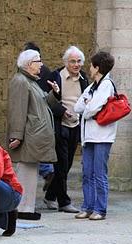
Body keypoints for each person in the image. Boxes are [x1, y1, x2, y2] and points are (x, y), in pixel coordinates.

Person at [7, 49, 59, 220]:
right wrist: (16, 135)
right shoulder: (20, 81)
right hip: (28, 135)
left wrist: (54, 93)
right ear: (29, 64)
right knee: (25, 172)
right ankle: (22, 207)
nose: (41, 64)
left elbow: (43, 102)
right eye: (38, 61)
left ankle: (27, 207)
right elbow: (17, 110)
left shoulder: (31, 81)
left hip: (33, 135)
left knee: (30, 172)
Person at [43, 46, 89, 212]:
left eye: (79, 61)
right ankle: (64, 202)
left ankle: (49, 196)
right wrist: (63, 111)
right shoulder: (56, 76)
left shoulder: (84, 78)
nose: (76, 64)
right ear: (66, 62)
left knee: (67, 164)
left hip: (76, 125)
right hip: (60, 125)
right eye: (72, 61)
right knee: (61, 164)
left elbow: (85, 98)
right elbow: (47, 101)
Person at [74, 51, 116, 220]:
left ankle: (100, 209)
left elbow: (91, 109)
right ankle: (88, 207)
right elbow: (78, 107)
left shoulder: (107, 85)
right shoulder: (92, 87)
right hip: (88, 136)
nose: (89, 68)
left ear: (97, 68)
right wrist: (89, 106)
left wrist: (88, 106)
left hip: (103, 136)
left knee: (99, 173)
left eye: (91, 65)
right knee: (87, 173)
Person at [24, 42, 55, 192]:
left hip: (35, 115)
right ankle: (47, 169)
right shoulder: (45, 71)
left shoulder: (25, 76)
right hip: (43, 115)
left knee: (34, 148)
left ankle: (46, 170)